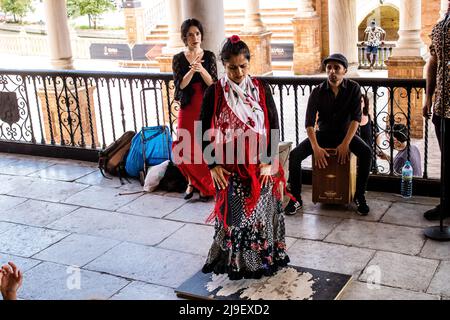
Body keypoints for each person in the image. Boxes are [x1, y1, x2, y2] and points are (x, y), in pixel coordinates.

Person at [200, 35, 290, 280]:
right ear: (223, 65)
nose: (238, 72)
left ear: (249, 63)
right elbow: (201, 130)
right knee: (235, 218)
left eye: (243, 66)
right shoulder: (215, 92)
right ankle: (236, 262)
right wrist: (212, 164)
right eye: (232, 67)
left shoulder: (261, 88)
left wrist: (268, 160)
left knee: (259, 215)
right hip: (229, 167)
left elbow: (273, 125)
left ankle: (261, 259)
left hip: (259, 165)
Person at [286, 53, 372, 216]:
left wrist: (346, 143)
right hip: (323, 134)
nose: (332, 71)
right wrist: (316, 148)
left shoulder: (354, 88)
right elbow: (309, 124)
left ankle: (360, 196)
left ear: (344, 70)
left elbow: (356, 119)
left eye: (336, 68)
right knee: (295, 155)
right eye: (329, 67)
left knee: (366, 153)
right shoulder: (317, 91)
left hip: (345, 135)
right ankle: (296, 198)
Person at [172, 18, 217, 201]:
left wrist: (201, 68)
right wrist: (191, 70)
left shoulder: (210, 56)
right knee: (184, 147)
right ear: (185, 37)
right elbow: (180, 85)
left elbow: (213, 83)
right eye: (190, 34)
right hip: (187, 106)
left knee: (204, 145)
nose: (194, 37)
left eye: (197, 33)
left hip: (205, 106)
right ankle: (191, 182)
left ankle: (207, 187)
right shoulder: (178, 58)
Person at [422, 2, 450, 220]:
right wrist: (428, 97)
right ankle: (446, 205)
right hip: (442, 107)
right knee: (446, 160)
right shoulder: (440, 27)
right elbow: (433, 62)